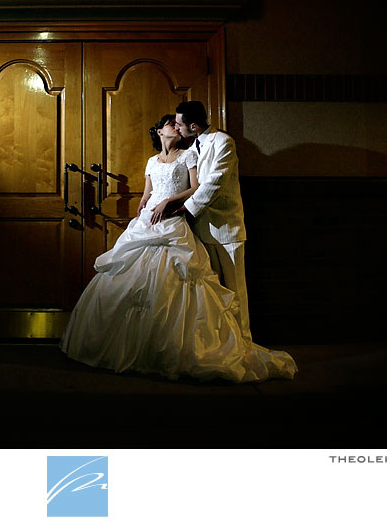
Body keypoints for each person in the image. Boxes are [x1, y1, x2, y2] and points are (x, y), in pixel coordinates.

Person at [60, 114, 297, 383]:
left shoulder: (188, 155)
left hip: (174, 219)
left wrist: (169, 202)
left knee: (180, 278)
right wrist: (143, 207)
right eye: (169, 124)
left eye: (177, 124)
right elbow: (147, 192)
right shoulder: (152, 161)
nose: (175, 127)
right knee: (130, 279)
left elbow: (195, 187)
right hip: (149, 221)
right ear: (159, 132)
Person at [173, 100, 252, 339]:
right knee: (214, 292)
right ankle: (221, 342)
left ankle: (243, 340)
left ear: (194, 126)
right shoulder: (191, 147)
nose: (176, 128)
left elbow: (214, 182)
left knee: (235, 291)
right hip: (201, 230)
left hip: (227, 229)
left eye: (179, 124)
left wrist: (186, 209)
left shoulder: (223, 142)